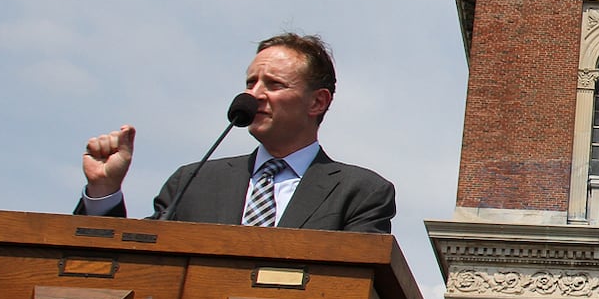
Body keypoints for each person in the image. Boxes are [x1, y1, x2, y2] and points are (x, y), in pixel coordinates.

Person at [77, 32, 395, 234]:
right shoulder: (192, 182)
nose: (254, 95)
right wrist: (104, 191)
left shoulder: (360, 193)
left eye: (273, 84)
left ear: (317, 102)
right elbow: (125, 262)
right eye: (250, 82)